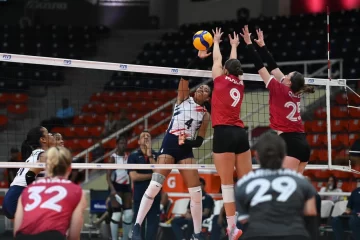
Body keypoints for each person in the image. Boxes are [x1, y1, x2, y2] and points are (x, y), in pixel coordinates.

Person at [132, 50, 212, 240]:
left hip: (185, 149)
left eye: (206, 91)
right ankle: (136, 226)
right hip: (168, 144)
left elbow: (200, 140)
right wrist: (197, 59)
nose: (201, 90)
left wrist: (188, 141)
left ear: (208, 98)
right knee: (154, 186)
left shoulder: (206, 115)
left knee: (196, 192)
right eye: (200, 88)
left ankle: (197, 233)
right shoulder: (184, 98)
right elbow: (185, 75)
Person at [240, 26, 314, 173]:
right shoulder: (295, 91)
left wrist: (248, 44)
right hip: (302, 144)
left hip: (291, 144)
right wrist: (262, 46)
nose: (284, 75)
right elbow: (274, 68)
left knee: (285, 187)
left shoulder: (278, 88)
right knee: (294, 188)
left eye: (287, 75)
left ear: (289, 82)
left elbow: (261, 67)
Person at [235, 133, 318, 240]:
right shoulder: (301, 181)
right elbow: (311, 213)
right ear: (284, 155)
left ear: (257, 156)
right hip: (294, 234)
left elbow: (244, 219)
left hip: (258, 234)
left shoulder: (243, 184)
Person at [210, 28, 252, 239]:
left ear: (225, 71)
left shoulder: (219, 80)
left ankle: (232, 227)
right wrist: (234, 47)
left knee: (227, 183)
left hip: (224, 134)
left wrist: (217, 42)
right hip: (240, 134)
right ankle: (253, 222)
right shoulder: (241, 84)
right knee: (246, 181)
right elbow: (232, 65)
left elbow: (218, 60)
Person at [13, 146, 87, 240]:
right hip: (53, 236)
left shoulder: (27, 190)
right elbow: (73, 236)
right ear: (69, 168)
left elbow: (16, 232)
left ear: (46, 166)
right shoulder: (77, 192)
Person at [3, 126, 53, 220]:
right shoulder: (43, 155)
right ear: (43, 139)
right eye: (48, 133)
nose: (50, 135)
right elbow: (29, 176)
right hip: (17, 197)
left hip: (11, 197)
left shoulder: (33, 154)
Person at [128, 131, 160, 240]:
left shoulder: (157, 155)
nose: (146, 138)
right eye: (143, 136)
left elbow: (158, 172)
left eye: (148, 136)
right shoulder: (133, 156)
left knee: (152, 226)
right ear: (138, 141)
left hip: (155, 197)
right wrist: (152, 176)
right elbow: (134, 176)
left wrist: (150, 155)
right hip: (139, 196)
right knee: (138, 227)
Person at [107, 136, 133, 240]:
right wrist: (112, 190)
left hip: (126, 187)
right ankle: (114, 238)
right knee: (117, 214)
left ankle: (125, 238)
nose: (123, 145)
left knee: (128, 214)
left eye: (124, 143)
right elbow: (107, 176)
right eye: (121, 143)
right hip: (116, 187)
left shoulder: (128, 157)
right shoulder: (113, 157)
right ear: (117, 145)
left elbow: (130, 174)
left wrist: (131, 187)